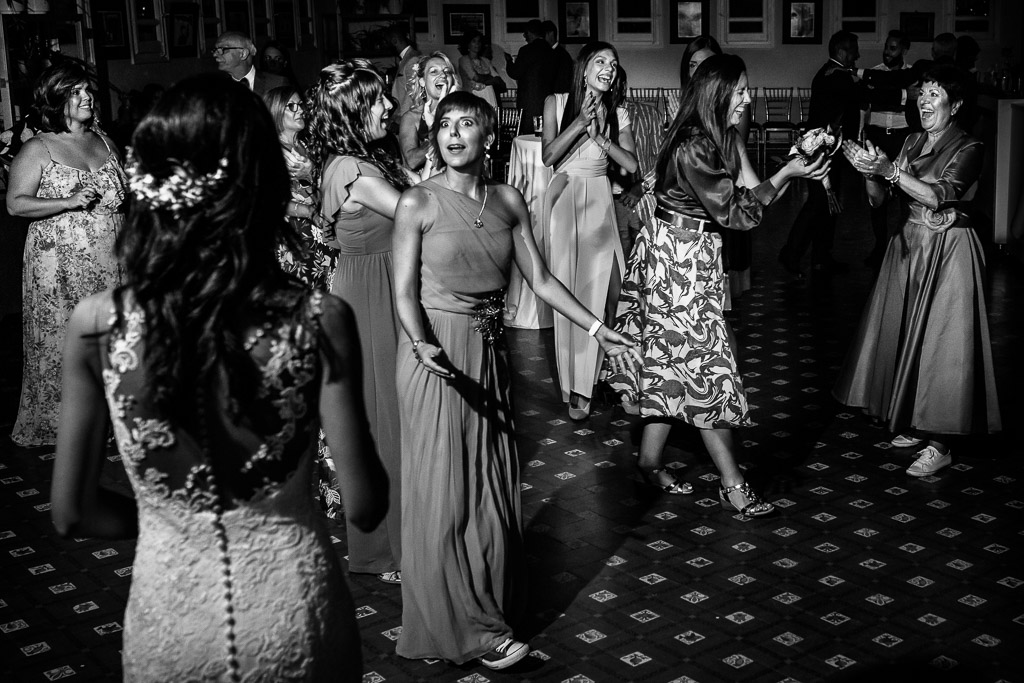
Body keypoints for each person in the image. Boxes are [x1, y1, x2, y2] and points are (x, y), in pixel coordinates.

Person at [50, 73, 388, 681]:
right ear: (264, 186)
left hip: (170, 622)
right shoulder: (318, 319)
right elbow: (364, 507)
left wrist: (170, 524)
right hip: (294, 614)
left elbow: (71, 513)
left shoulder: (97, 324)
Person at [392, 90, 638, 670]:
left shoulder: (506, 200)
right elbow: (402, 292)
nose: (453, 134)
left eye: (466, 124)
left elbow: (543, 281)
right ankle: (465, 628)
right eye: (445, 125)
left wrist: (599, 329)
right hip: (436, 357)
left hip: (487, 355)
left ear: (488, 136)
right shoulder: (416, 202)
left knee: (487, 489)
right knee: (443, 494)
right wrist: (421, 342)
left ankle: (479, 611)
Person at [608, 54, 829, 511]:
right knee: (705, 368)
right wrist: (788, 173)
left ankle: (648, 463)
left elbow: (749, 197)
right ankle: (733, 484)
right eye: (741, 91)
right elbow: (740, 213)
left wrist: (793, 164)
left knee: (672, 364)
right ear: (719, 94)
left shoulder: (720, 136)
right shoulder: (694, 144)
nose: (748, 99)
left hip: (694, 256)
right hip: (676, 261)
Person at [836, 64, 1000, 477]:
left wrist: (890, 171)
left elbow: (939, 195)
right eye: (922, 94)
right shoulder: (911, 140)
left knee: (944, 344)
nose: (924, 101)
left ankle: (941, 443)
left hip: (949, 250)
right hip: (908, 246)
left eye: (934, 94)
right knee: (909, 335)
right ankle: (917, 420)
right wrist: (869, 174)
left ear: (955, 105)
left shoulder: (970, 146)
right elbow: (880, 201)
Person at [304, 59, 410, 583]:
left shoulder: (365, 157)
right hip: (368, 295)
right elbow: (417, 214)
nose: (389, 105)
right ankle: (386, 551)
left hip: (381, 284)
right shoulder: (349, 168)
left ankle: (401, 538)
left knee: (395, 415)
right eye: (378, 99)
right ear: (352, 110)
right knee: (383, 419)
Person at [6, 59, 125, 447]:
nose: (87, 97)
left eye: (87, 90)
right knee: (65, 341)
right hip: (58, 262)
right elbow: (16, 204)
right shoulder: (38, 147)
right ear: (56, 100)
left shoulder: (104, 141)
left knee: (112, 337)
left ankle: (114, 421)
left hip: (110, 257)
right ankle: (67, 426)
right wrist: (67, 201)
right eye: (76, 92)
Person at [541, 41, 638, 420]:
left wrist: (601, 137)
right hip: (565, 199)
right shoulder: (556, 102)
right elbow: (549, 157)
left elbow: (631, 166)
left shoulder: (619, 113)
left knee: (612, 293)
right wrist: (580, 123)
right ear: (584, 69)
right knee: (573, 294)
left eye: (613, 63)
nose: (609, 68)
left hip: (599, 199)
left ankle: (615, 376)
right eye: (601, 61)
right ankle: (579, 387)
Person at [779, 30, 862, 277]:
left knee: (826, 204)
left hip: (824, 149)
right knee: (817, 203)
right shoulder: (838, 77)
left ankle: (821, 257)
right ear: (842, 51)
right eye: (854, 50)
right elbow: (862, 97)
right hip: (823, 151)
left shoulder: (828, 72)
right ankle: (791, 254)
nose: (857, 55)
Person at [263, 86, 338, 291]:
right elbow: (268, 200)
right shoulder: (268, 151)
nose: (300, 110)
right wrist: (308, 211)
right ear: (276, 111)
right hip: (294, 236)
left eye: (300, 104)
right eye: (291, 106)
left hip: (321, 229)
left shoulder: (309, 145)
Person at [862, 30, 914, 270]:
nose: (887, 52)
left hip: (903, 138)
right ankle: (880, 246)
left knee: (905, 192)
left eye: (893, 48)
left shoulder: (912, 76)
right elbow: (869, 102)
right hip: (878, 136)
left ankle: (905, 246)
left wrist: (894, 98)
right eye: (886, 46)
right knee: (876, 192)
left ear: (904, 50)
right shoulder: (875, 74)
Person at [398, 51, 459, 180]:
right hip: (426, 183)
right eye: (434, 71)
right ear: (422, 81)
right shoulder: (412, 117)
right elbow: (411, 161)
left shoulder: (463, 113)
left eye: (447, 71)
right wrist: (436, 132)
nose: (443, 75)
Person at [503, 19, 555, 124]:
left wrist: (509, 61)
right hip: (549, 101)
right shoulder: (551, 51)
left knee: (528, 130)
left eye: (525, 33)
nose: (524, 36)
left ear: (530, 33)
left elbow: (515, 73)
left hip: (529, 101)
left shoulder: (526, 50)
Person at [212, 31, 287, 95]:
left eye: (222, 49)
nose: (215, 54)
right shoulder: (217, 88)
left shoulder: (277, 84)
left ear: (243, 54)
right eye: (215, 50)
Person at [456, 29, 504, 110]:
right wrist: (490, 78)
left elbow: (498, 79)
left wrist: (487, 79)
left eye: (479, 41)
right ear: (467, 44)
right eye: (474, 41)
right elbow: (476, 77)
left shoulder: (486, 60)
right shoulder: (464, 60)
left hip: (489, 94)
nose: (477, 44)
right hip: (473, 96)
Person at [385, 22, 421, 120]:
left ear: (394, 41)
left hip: (406, 117)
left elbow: (412, 92)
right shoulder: (406, 59)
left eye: (387, 42)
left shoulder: (412, 59)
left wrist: (402, 118)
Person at [542, 20, 574, 94]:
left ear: (551, 34)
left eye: (543, 36)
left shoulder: (562, 55)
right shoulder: (551, 53)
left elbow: (564, 82)